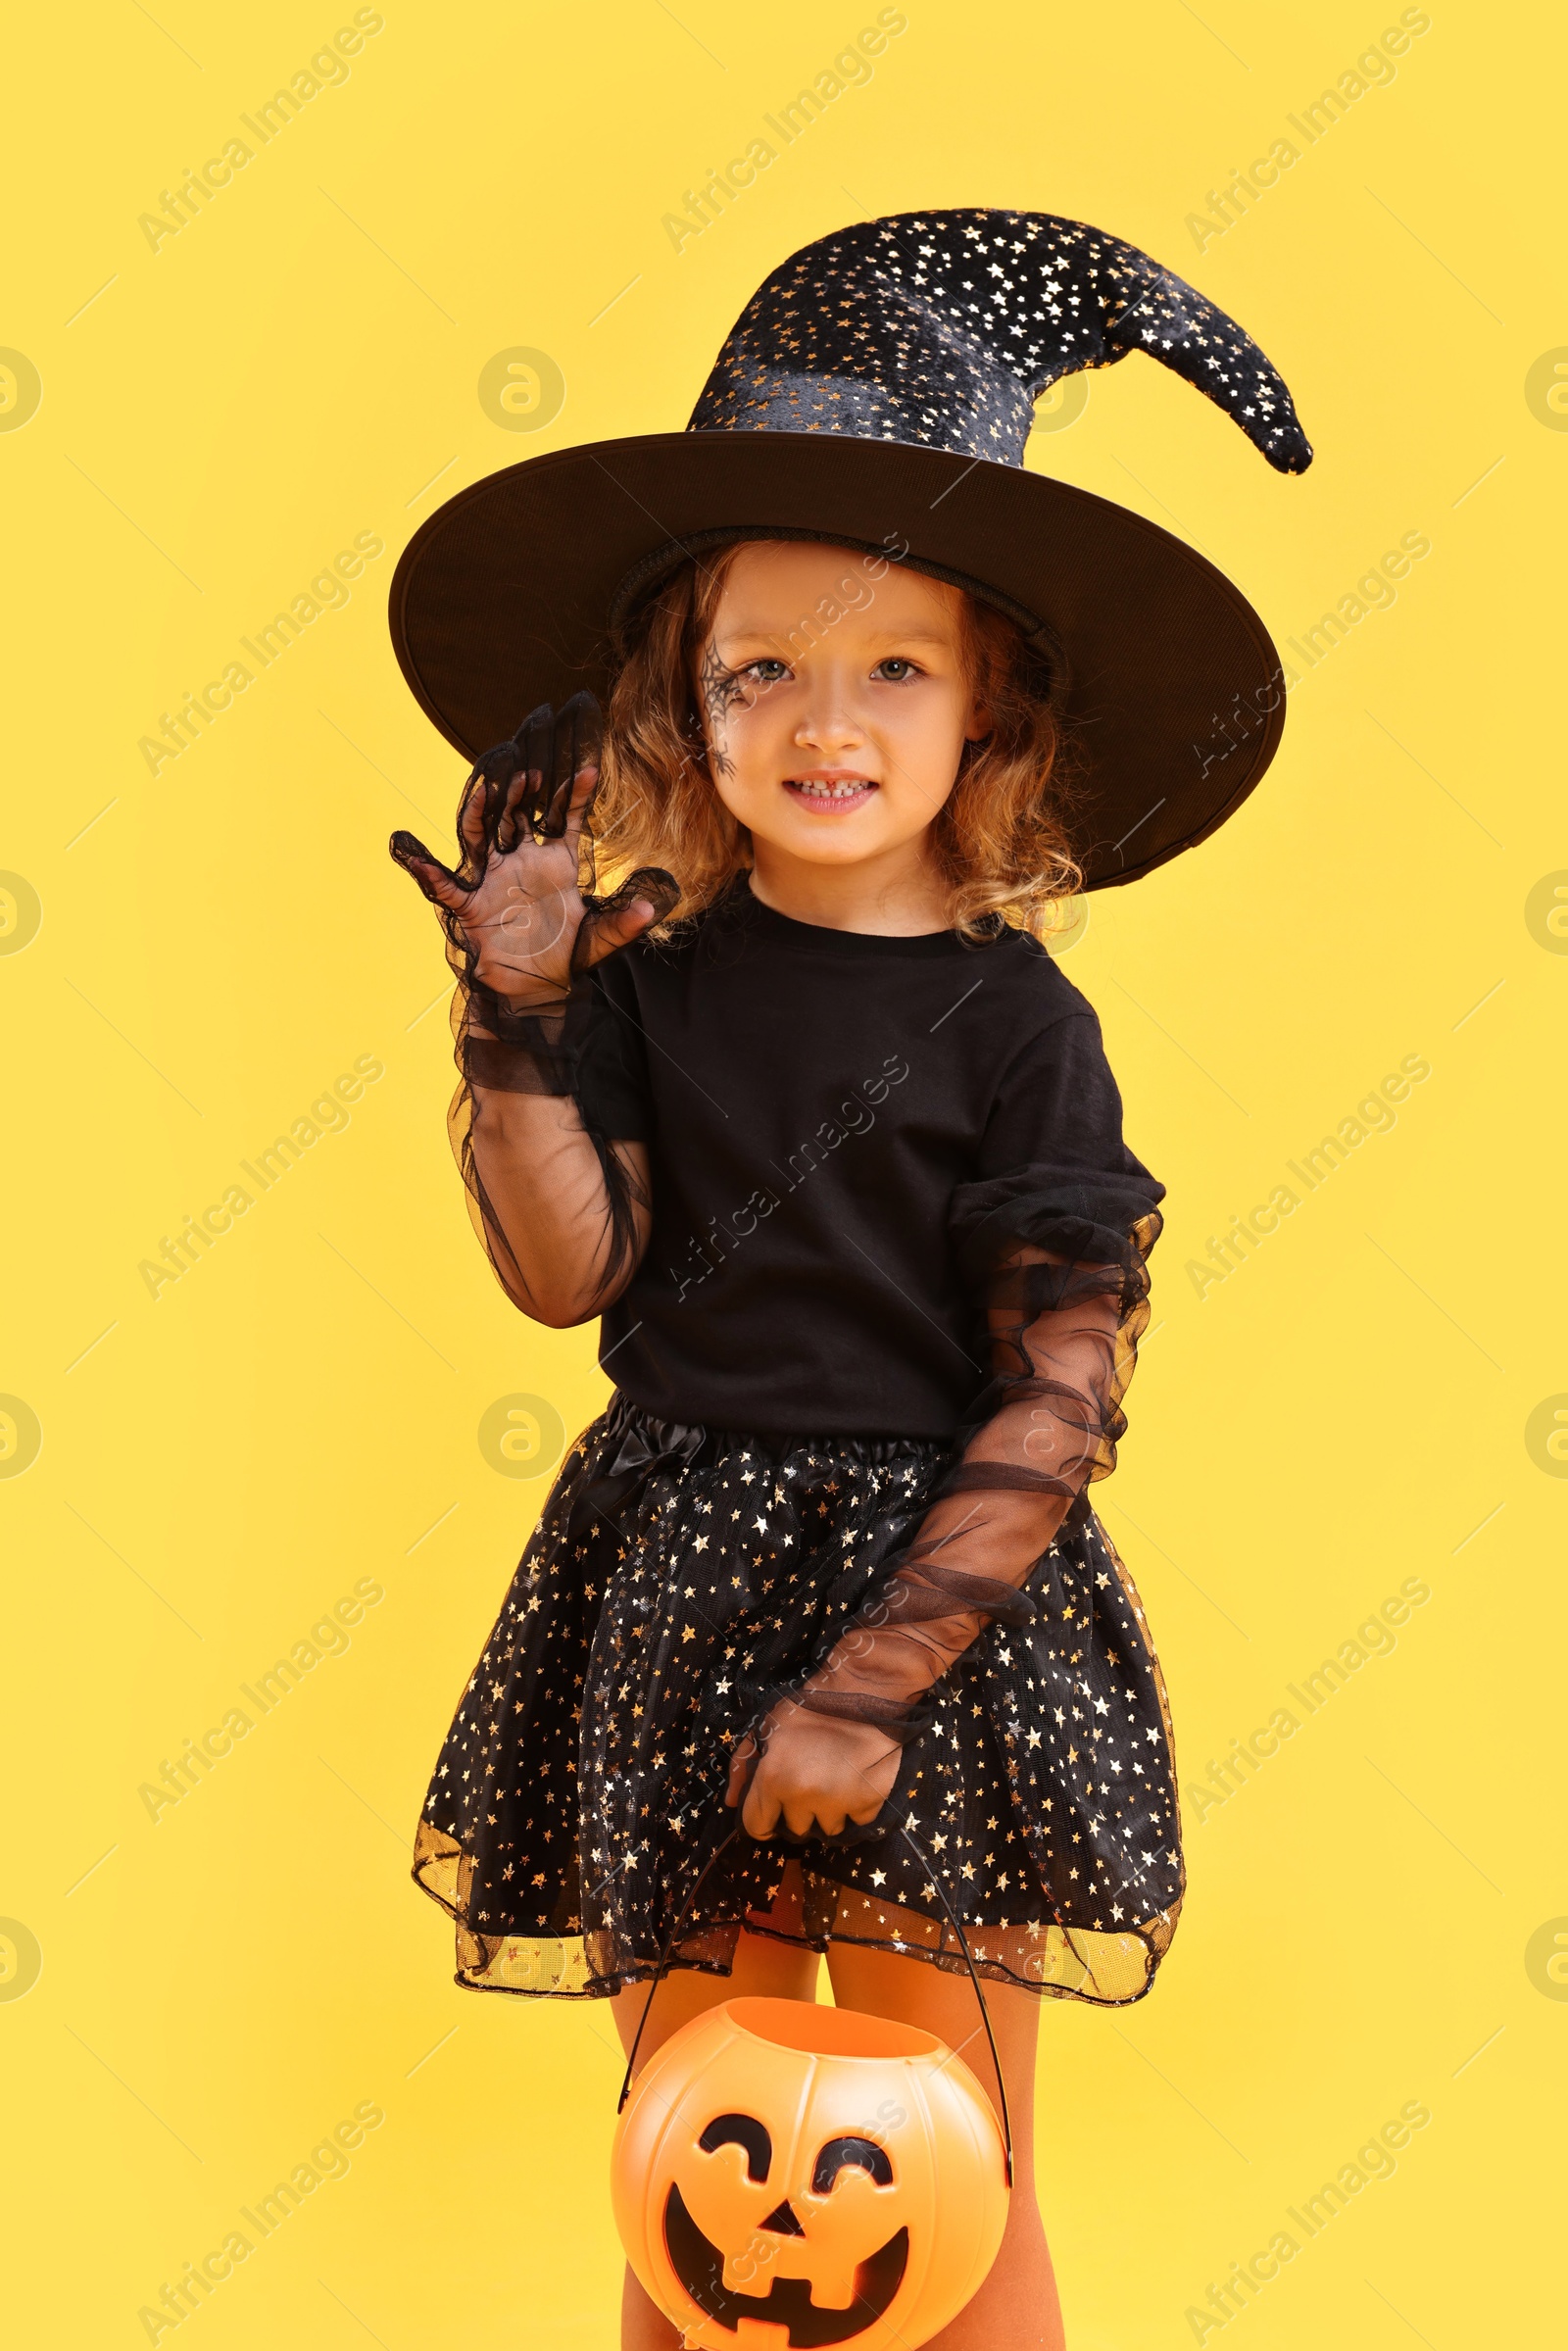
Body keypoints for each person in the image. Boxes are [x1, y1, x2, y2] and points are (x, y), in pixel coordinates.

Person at [388, 210, 1310, 2350]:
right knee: (698, 2167)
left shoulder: (1013, 1029)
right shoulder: (646, 982)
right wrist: (512, 1019)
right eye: (760, 670)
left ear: (989, 701)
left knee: (934, 2179)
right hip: (667, 1570)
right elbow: (566, 1270)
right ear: (681, 712)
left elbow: (1062, 1384)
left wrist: (873, 1679)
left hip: (942, 1618)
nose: (825, 718)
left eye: (890, 663)